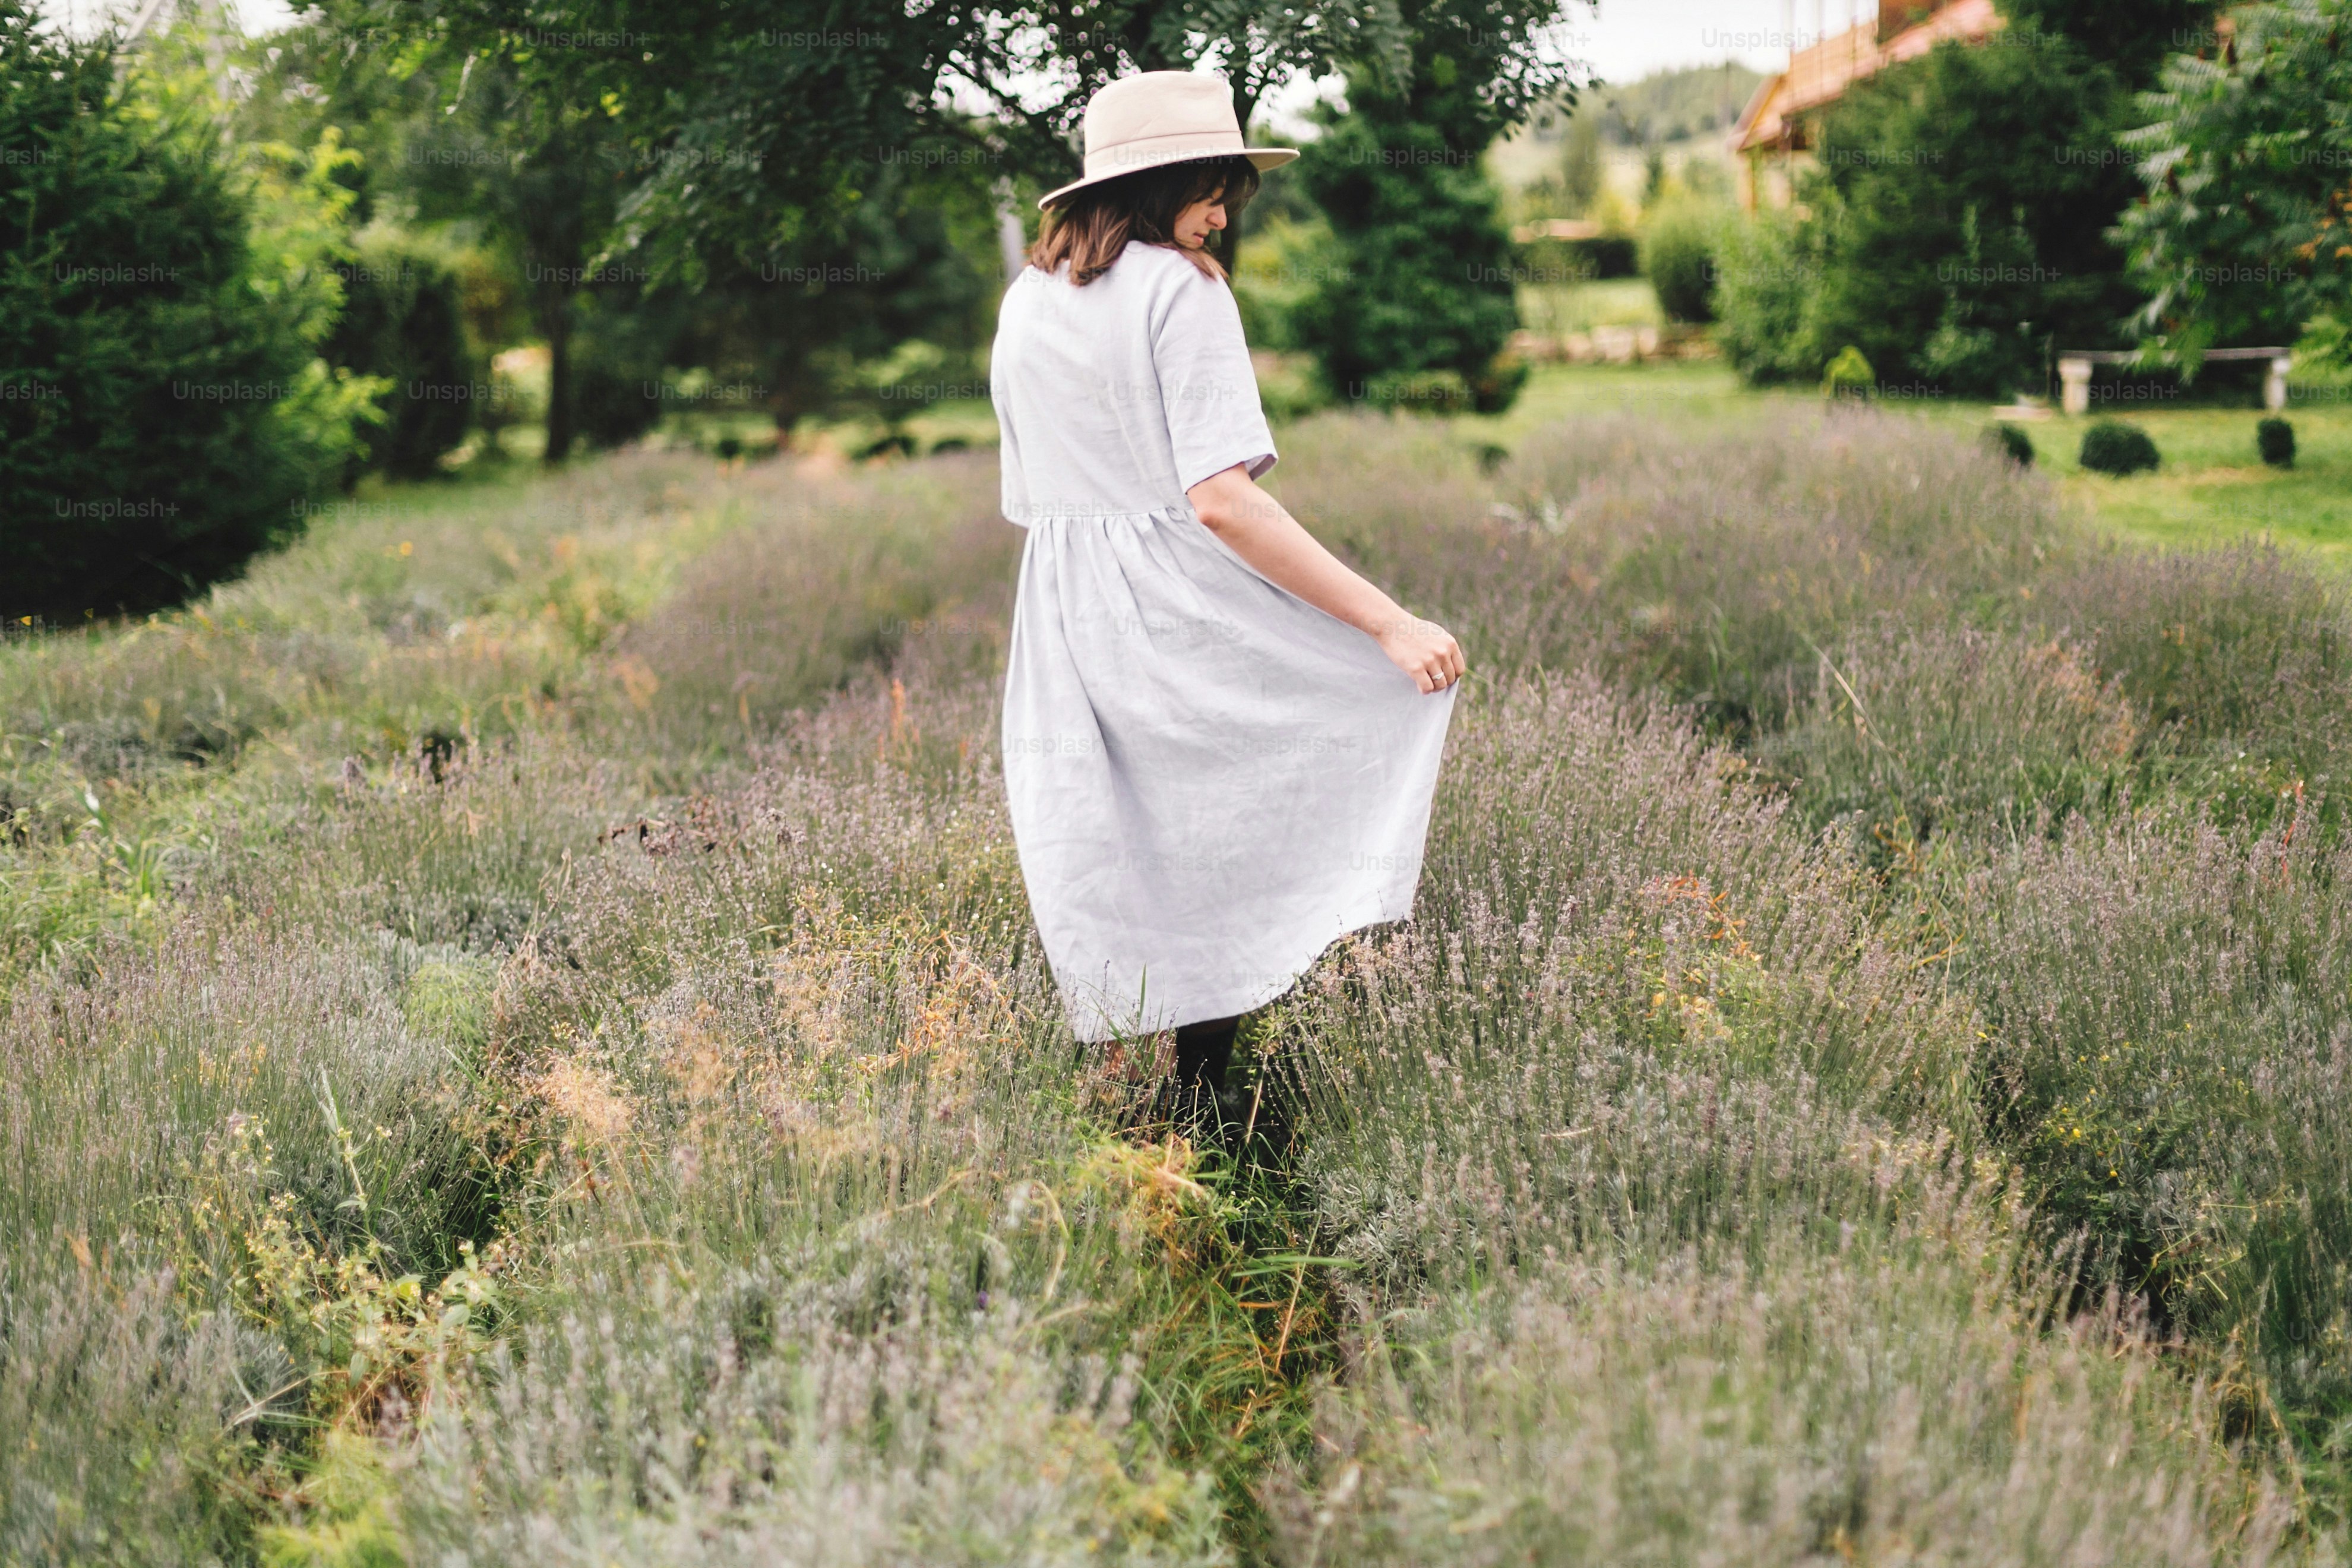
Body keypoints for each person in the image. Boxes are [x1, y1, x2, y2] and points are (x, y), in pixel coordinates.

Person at [991, 69, 1464, 1140]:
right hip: (1173, 598)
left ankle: (1128, 1121)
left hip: (1066, 609)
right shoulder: (1183, 292)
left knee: (1120, 834)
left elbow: (1037, 494)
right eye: (1213, 188)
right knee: (1233, 813)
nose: (1222, 213)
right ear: (1164, 184)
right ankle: (1208, 1104)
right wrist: (1388, 621)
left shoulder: (1028, 300)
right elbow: (1221, 504)